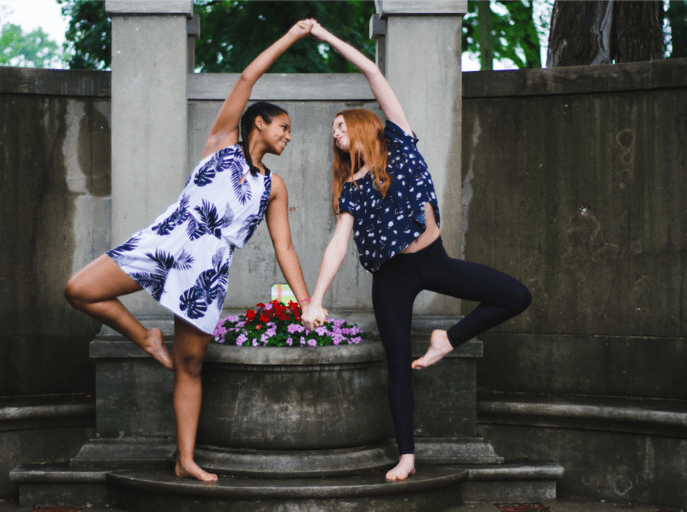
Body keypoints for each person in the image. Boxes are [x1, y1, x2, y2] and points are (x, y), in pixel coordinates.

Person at [65, 20, 317, 482]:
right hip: (170, 236)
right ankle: (145, 338)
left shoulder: (273, 186)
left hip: (208, 265)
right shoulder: (221, 142)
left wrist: (306, 302)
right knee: (80, 289)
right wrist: (292, 37)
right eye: (283, 126)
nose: (288, 135)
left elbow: (284, 245)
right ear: (258, 122)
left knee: (191, 363)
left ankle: (185, 459)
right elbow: (246, 79)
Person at [301, 21, 532, 482]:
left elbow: (371, 71)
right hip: (391, 277)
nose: (335, 134)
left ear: (364, 126)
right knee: (397, 366)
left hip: (433, 260)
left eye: (340, 125)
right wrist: (315, 298)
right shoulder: (351, 188)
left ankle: (447, 339)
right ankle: (407, 455)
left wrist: (326, 38)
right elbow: (338, 244)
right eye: (332, 130)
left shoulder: (399, 142)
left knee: (515, 295)